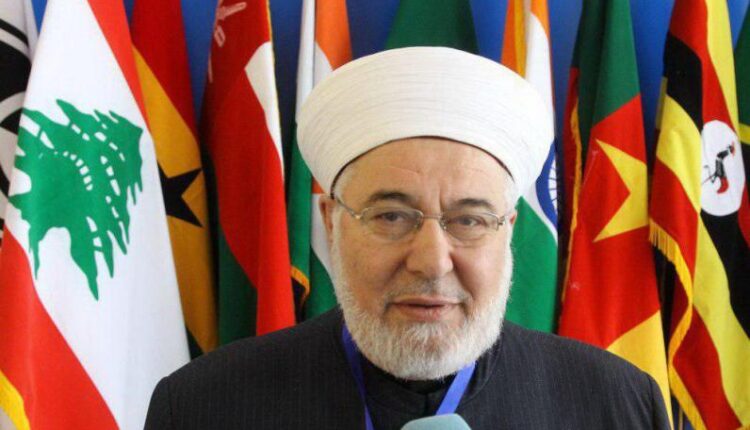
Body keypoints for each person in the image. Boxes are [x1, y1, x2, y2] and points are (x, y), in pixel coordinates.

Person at [144, 47, 670, 429]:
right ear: (331, 223)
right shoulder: (203, 407)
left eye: (469, 220)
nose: (432, 262)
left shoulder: (616, 405)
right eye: (392, 216)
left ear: (507, 232)